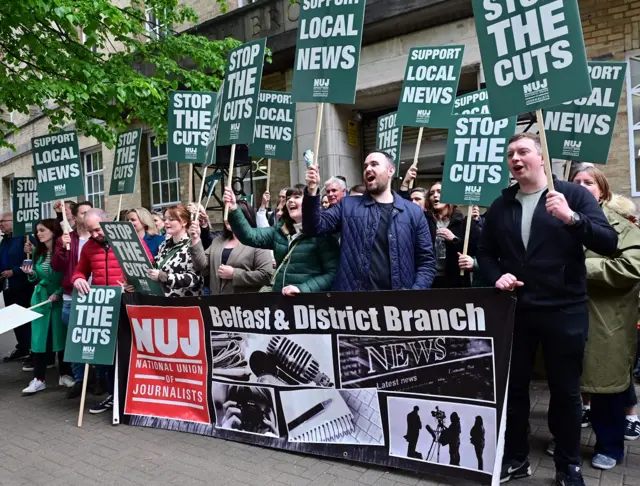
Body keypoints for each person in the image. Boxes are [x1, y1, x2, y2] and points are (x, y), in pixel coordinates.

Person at [477, 133, 618, 485]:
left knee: (566, 390)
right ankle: (516, 458)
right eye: (510, 154)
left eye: (523, 151)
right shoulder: (502, 204)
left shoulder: (572, 195)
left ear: (542, 159)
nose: (515, 158)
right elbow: (484, 253)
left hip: (564, 310)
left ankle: (568, 465)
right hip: (517, 311)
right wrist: (498, 276)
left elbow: (609, 243)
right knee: (515, 389)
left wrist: (573, 219)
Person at [568, 166, 640, 470]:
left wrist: (584, 270)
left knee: (606, 384)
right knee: (568, 385)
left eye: (589, 182)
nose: (583, 187)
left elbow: (633, 266)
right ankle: (566, 440)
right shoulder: (556, 222)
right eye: (577, 183)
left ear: (603, 190)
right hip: (566, 317)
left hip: (606, 320)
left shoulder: (621, 227)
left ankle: (610, 445)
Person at [303, 151, 436, 291]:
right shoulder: (347, 206)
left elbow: (426, 262)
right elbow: (314, 227)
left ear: (391, 171)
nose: (368, 169)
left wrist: (414, 293)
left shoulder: (413, 213)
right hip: (355, 306)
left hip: (397, 307)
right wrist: (312, 191)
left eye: (374, 164)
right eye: (365, 166)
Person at [72, 209, 149, 414]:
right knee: (107, 357)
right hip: (103, 307)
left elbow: (147, 268)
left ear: (107, 222)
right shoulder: (88, 247)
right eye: (91, 232)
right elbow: (80, 270)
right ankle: (113, 396)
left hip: (128, 305)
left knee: (128, 354)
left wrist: (134, 283)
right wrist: (78, 278)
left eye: (97, 230)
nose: (95, 235)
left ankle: (129, 397)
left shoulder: (128, 239)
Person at [223, 184, 339, 295]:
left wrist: (301, 289)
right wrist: (233, 207)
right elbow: (250, 236)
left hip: (307, 305)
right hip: (281, 302)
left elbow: (333, 273)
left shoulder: (322, 233)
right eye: (288, 198)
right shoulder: (280, 230)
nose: (290, 201)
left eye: (297, 197)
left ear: (310, 202)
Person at [20, 219, 73, 394]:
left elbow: (67, 274)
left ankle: (65, 374)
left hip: (58, 298)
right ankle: (38, 378)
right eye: (37, 231)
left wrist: (58, 292)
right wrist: (31, 274)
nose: (38, 234)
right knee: (39, 339)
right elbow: (37, 277)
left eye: (42, 230)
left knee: (61, 337)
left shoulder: (64, 250)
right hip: (41, 299)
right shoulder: (38, 253)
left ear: (53, 231)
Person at [50, 200, 93, 398]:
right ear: (74, 218)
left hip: (97, 295)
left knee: (96, 340)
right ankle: (80, 379)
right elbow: (57, 266)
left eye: (90, 212)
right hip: (71, 297)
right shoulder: (66, 239)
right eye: (83, 213)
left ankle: (97, 378)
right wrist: (62, 247)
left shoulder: (99, 236)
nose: (88, 216)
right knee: (75, 340)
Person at [189, 200, 272, 295]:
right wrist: (195, 239)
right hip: (216, 305)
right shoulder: (217, 241)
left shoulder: (258, 241)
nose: (228, 219)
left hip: (245, 306)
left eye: (232, 215)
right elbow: (201, 267)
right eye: (226, 215)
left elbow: (266, 275)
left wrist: (234, 274)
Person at [425, 181, 479, 288]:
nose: (435, 195)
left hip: (456, 279)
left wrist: (454, 239)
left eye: (439, 192)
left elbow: (475, 249)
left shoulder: (463, 222)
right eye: (432, 193)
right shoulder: (425, 220)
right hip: (430, 278)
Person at [0, 211, 35, 365]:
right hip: (8, 285)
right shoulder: (5, 241)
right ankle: (22, 346)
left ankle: (31, 349)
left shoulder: (25, 238)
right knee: (15, 319)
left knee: (25, 317)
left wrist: (13, 271)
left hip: (23, 284)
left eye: (3, 221)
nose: (0, 224)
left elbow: (31, 261)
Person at [148, 204, 203, 298]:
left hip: (184, 305)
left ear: (184, 222)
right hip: (163, 301)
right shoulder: (163, 245)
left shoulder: (192, 246)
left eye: (172, 219)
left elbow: (193, 278)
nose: (166, 222)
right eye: (165, 219)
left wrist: (164, 277)